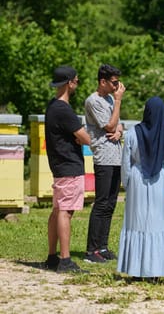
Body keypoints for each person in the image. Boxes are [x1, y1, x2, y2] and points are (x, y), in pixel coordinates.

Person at [117, 96, 164, 281]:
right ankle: (156, 270)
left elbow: (126, 164)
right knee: (158, 223)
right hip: (161, 181)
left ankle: (136, 269)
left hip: (137, 179)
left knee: (137, 223)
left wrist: (127, 185)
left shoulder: (132, 133)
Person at [44, 66, 91, 273]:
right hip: (69, 166)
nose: (77, 84)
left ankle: (52, 257)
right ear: (69, 82)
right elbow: (85, 138)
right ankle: (65, 259)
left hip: (59, 165)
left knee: (57, 210)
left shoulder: (52, 106)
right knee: (66, 211)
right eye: (77, 81)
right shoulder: (64, 109)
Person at [84, 64, 126, 263]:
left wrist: (119, 131)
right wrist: (118, 102)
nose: (118, 87)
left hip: (116, 156)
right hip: (104, 157)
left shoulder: (110, 99)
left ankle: (103, 246)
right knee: (101, 203)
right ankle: (91, 251)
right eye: (114, 82)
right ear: (103, 81)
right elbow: (109, 124)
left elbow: (118, 124)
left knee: (110, 204)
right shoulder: (93, 101)